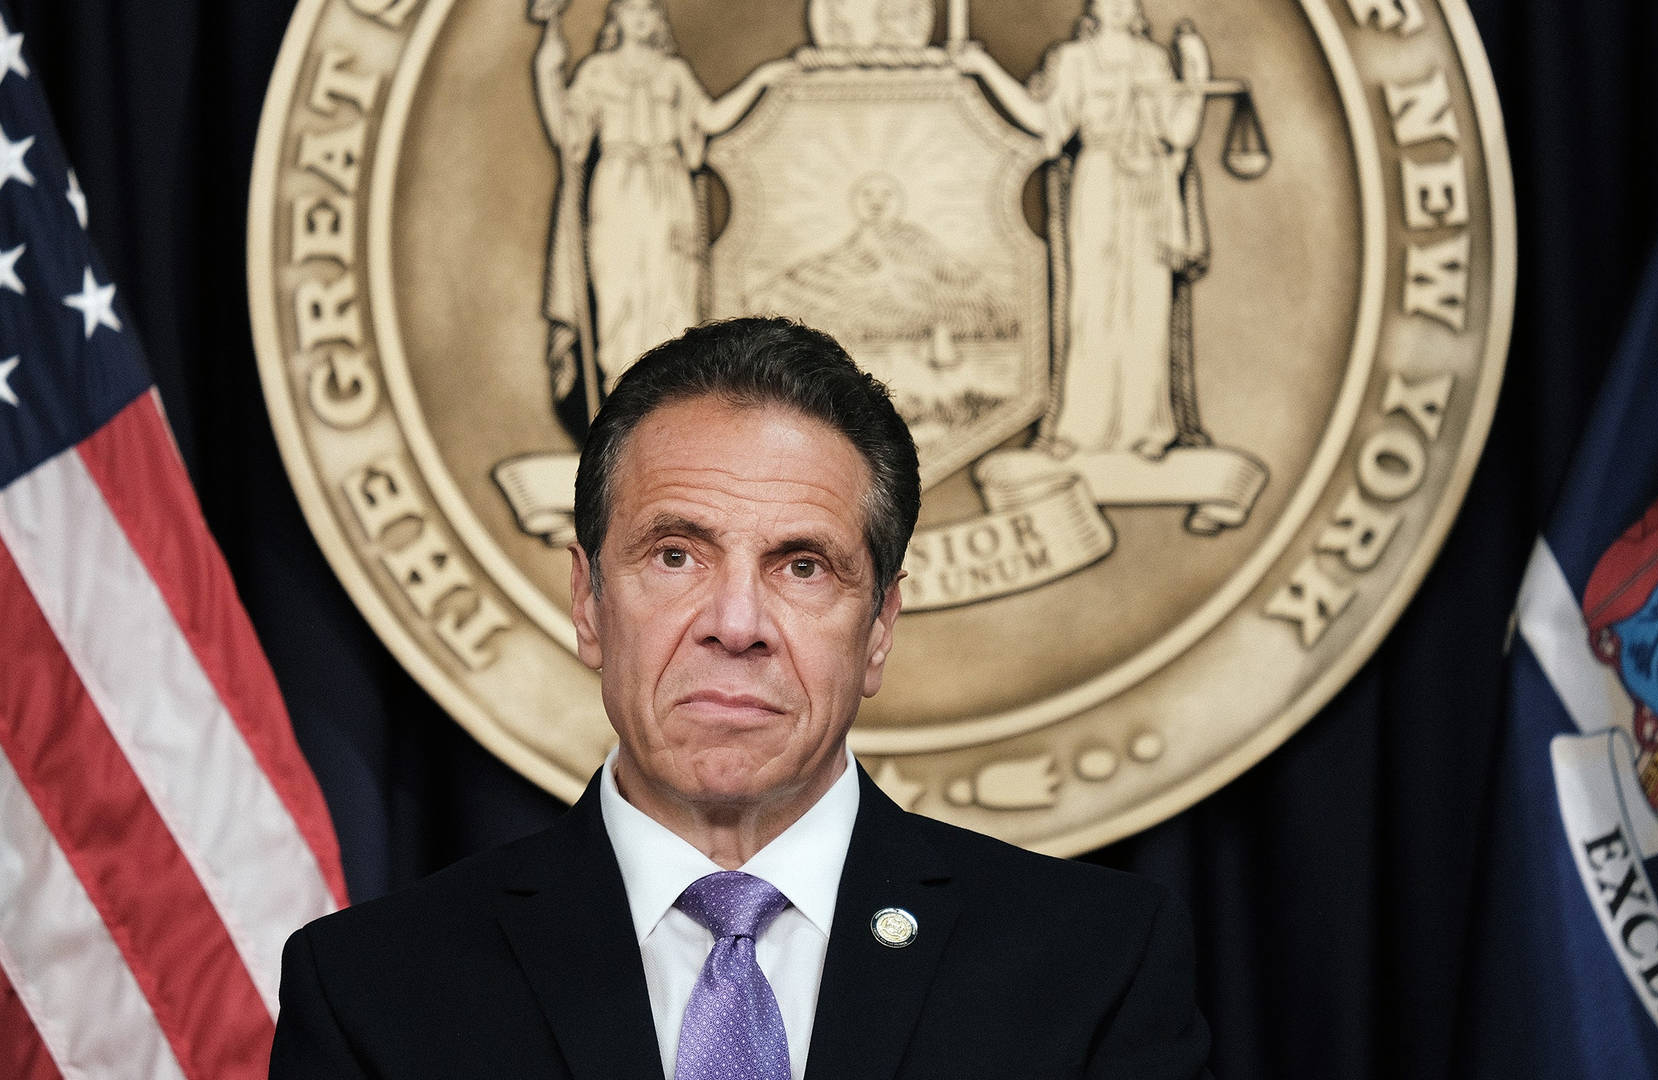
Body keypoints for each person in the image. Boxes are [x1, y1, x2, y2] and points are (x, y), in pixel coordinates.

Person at [269, 317, 1212, 1078]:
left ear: (880, 625)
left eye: (802, 566)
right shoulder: (376, 991)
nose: (735, 621)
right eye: (676, 555)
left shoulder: (1092, 970)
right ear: (589, 601)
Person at [955, 0, 1206, 461]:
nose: (1116, 7)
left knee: (1147, 304)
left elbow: (1181, 131)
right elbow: (1045, 122)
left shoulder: (1153, 60)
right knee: (1091, 304)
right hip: (1100, 181)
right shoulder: (1073, 60)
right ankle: (1082, 427)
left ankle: (1148, 425)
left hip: (1150, 189)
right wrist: (984, 67)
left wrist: (1194, 70)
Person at [533, 0, 793, 398]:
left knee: (672, 300)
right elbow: (569, 140)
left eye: (648, 10)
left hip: (670, 194)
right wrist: (547, 71)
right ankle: (619, 405)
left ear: (658, 18)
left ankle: (666, 404)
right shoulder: (597, 72)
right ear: (616, 17)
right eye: (632, 9)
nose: (640, 18)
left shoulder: (673, 72)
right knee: (619, 298)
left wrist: (760, 78)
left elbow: (709, 119)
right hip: (618, 192)